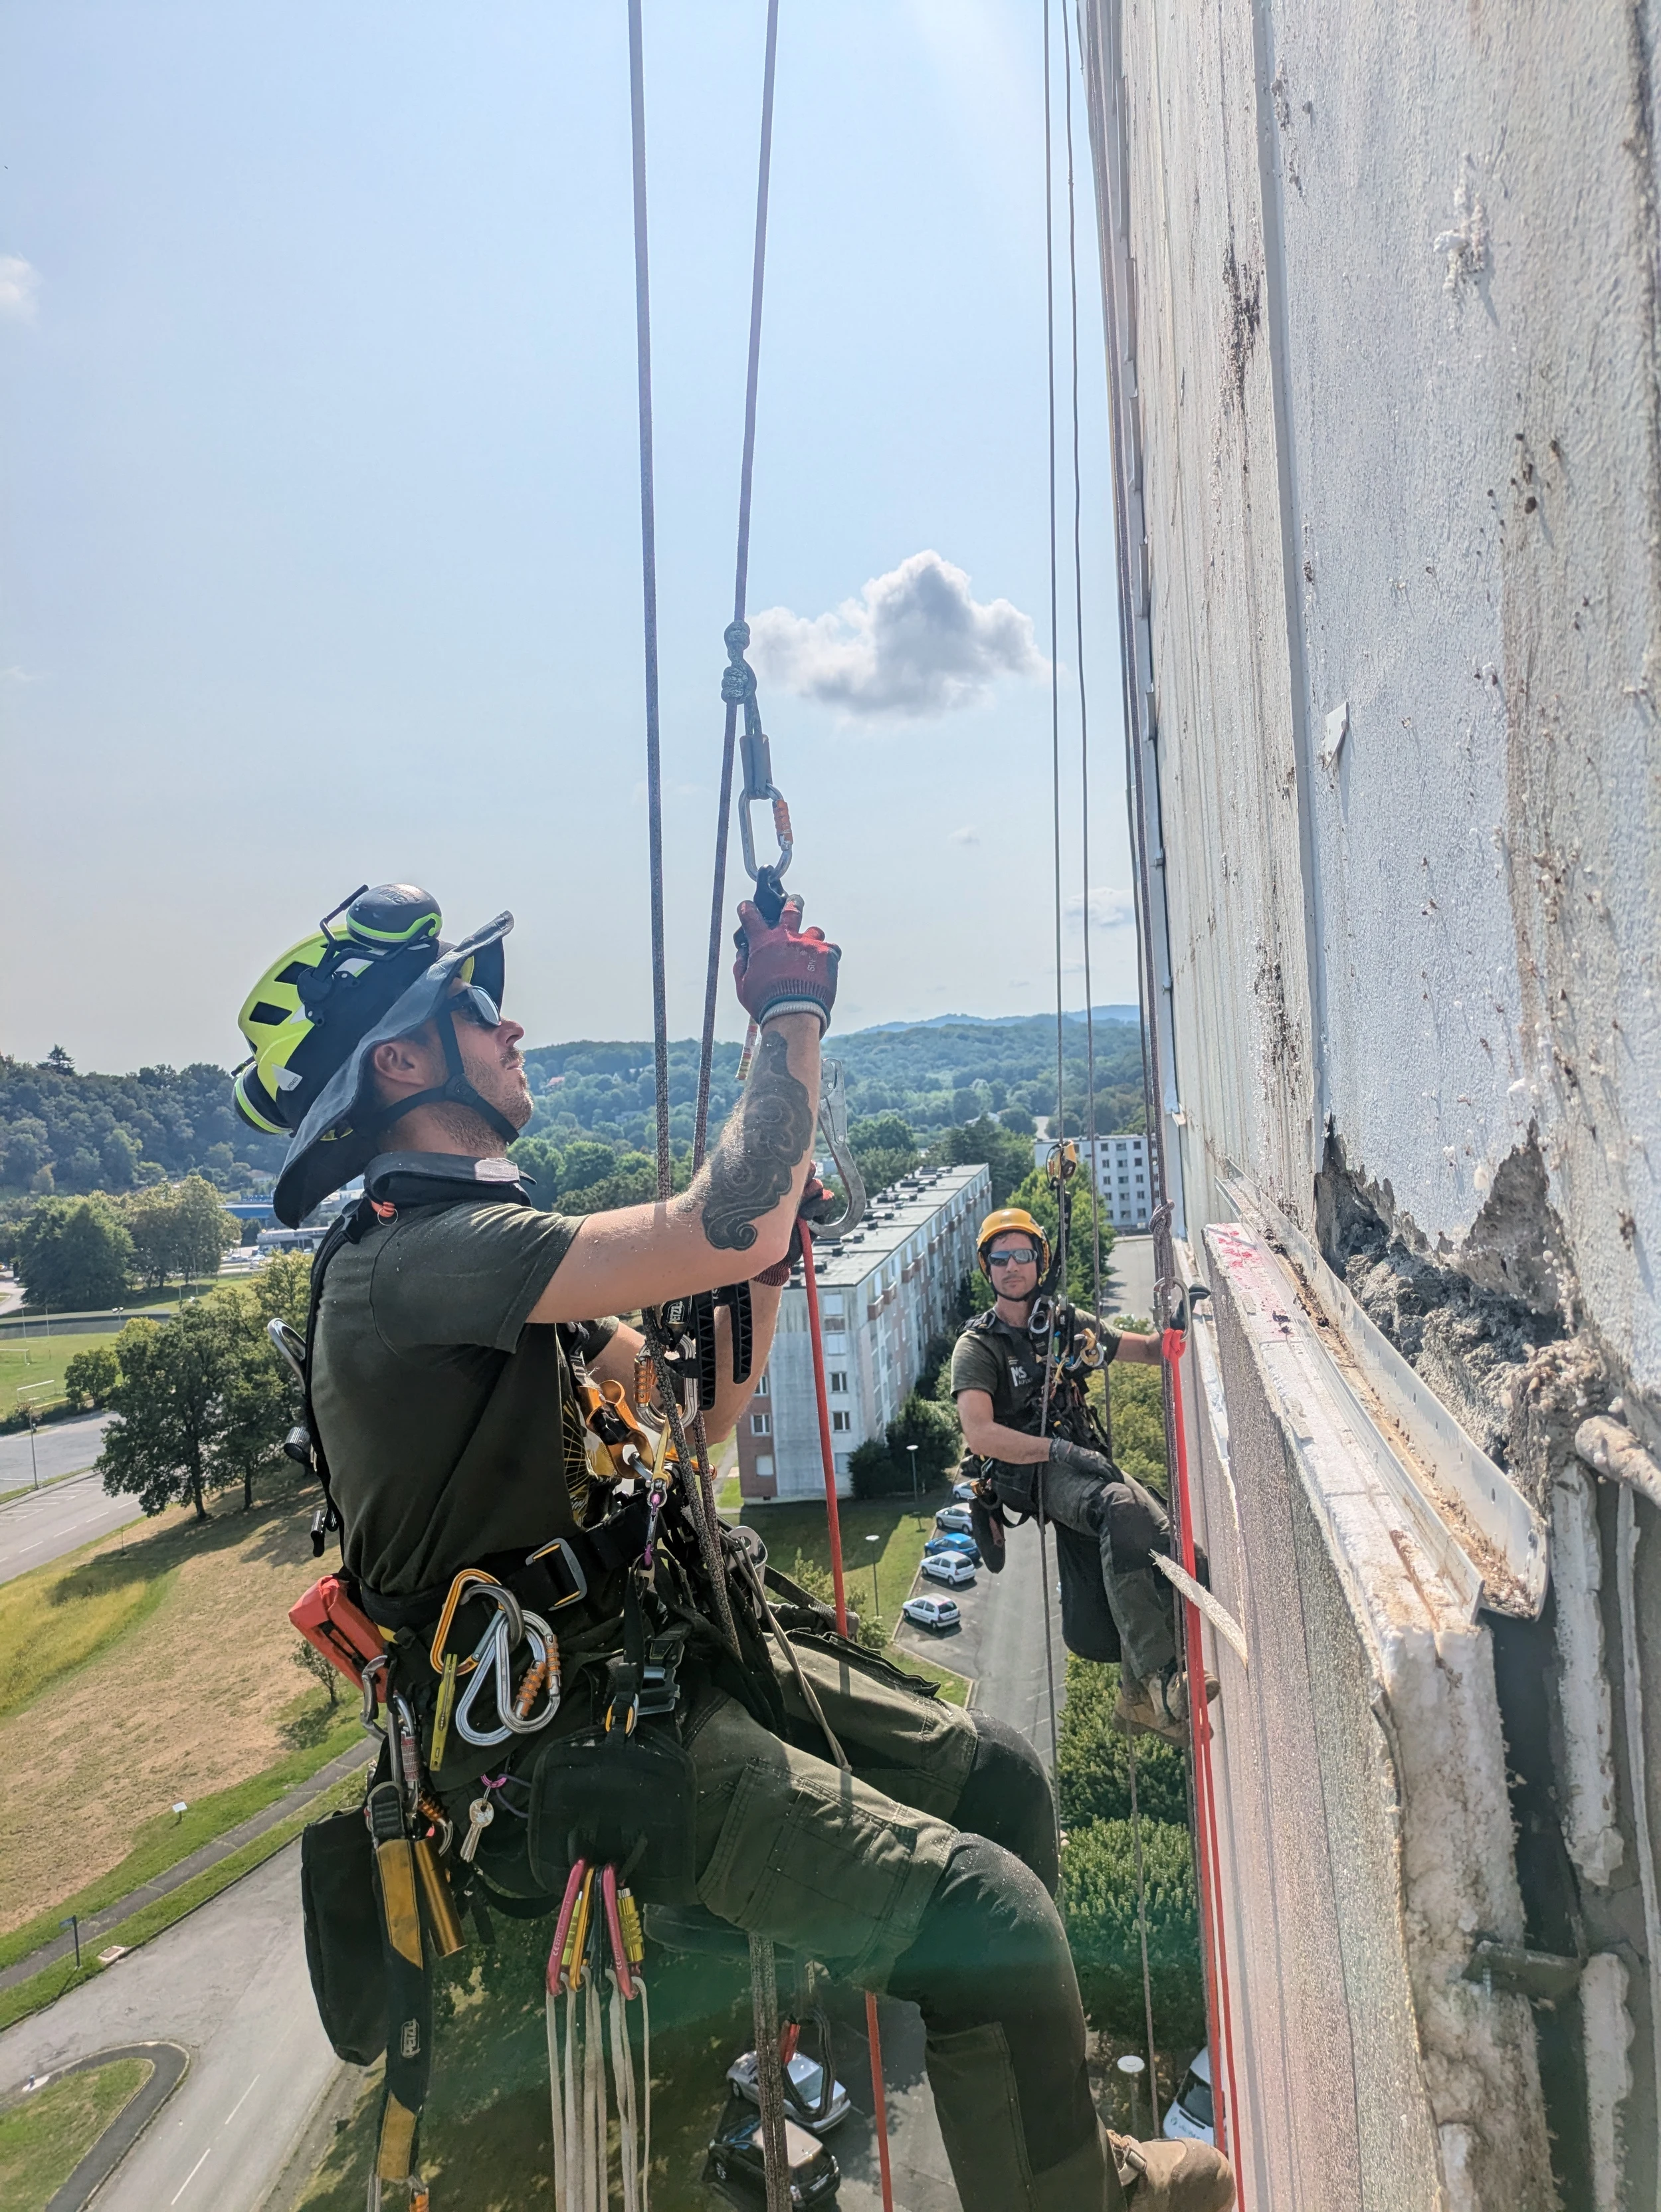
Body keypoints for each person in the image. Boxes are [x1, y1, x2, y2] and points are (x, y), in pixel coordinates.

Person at [235, 883, 1234, 2212]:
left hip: (656, 1669)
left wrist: (767, 1261)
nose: (511, 1019)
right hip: (580, 1751)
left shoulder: (485, 1270)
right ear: (401, 1060)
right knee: (987, 1915)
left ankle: (1033, 2136)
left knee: (998, 1780)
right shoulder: (414, 1259)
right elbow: (722, 1212)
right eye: (476, 1003)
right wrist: (786, 1014)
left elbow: (698, 1405)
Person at [952, 1208, 1215, 1742]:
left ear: (1039, 1261)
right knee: (1117, 1506)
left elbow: (1138, 1349)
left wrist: (1177, 1330)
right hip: (1033, 1472)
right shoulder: (979, 1347)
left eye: (1021, 1255)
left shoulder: (1067, 1324)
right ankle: (1163, 1681)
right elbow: (981, 1434)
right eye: (999, 1258)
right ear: (988, 1268)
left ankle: (1135, 1698)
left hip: (1082, 1454)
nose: (1011, 1268)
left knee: (1186, 1562)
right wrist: (1056, 1449)